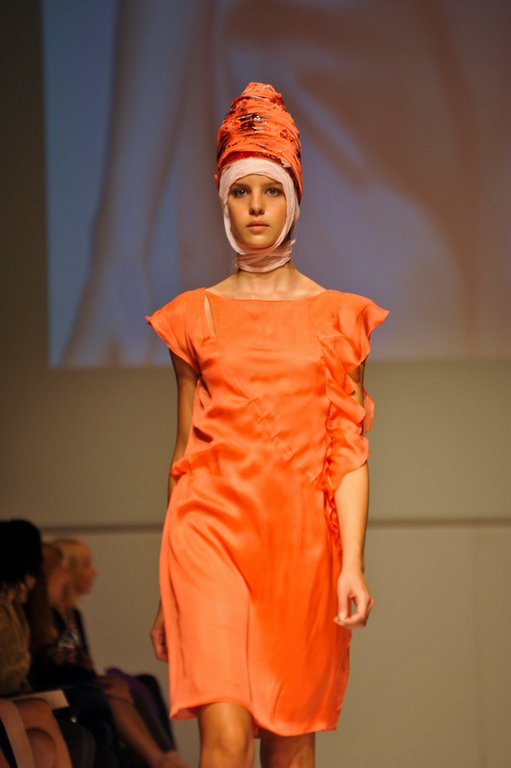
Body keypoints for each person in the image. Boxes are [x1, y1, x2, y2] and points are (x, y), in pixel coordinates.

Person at [146, 82, 389, 768]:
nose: (256, 206)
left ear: (293, 201)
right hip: (209, 536)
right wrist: (167, 592)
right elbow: (185, 452)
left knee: (290, 745)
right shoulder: (193, 316)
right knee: (223, 741)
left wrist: (352, 563)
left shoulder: (338, 318)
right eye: (241, 192)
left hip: (299, 550)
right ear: (223, 203)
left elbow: (347, 451)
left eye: (271, 191)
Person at [49, 539, 189, 768]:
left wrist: (92, 675)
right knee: (117, 692)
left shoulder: (72, 614)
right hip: (62, 687)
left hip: (77, 681)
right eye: (86, 565)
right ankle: (162, 759)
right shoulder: (47, 615)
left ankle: (168, 756)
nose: (93, 572)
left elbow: (82, 661)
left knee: (142, 683)